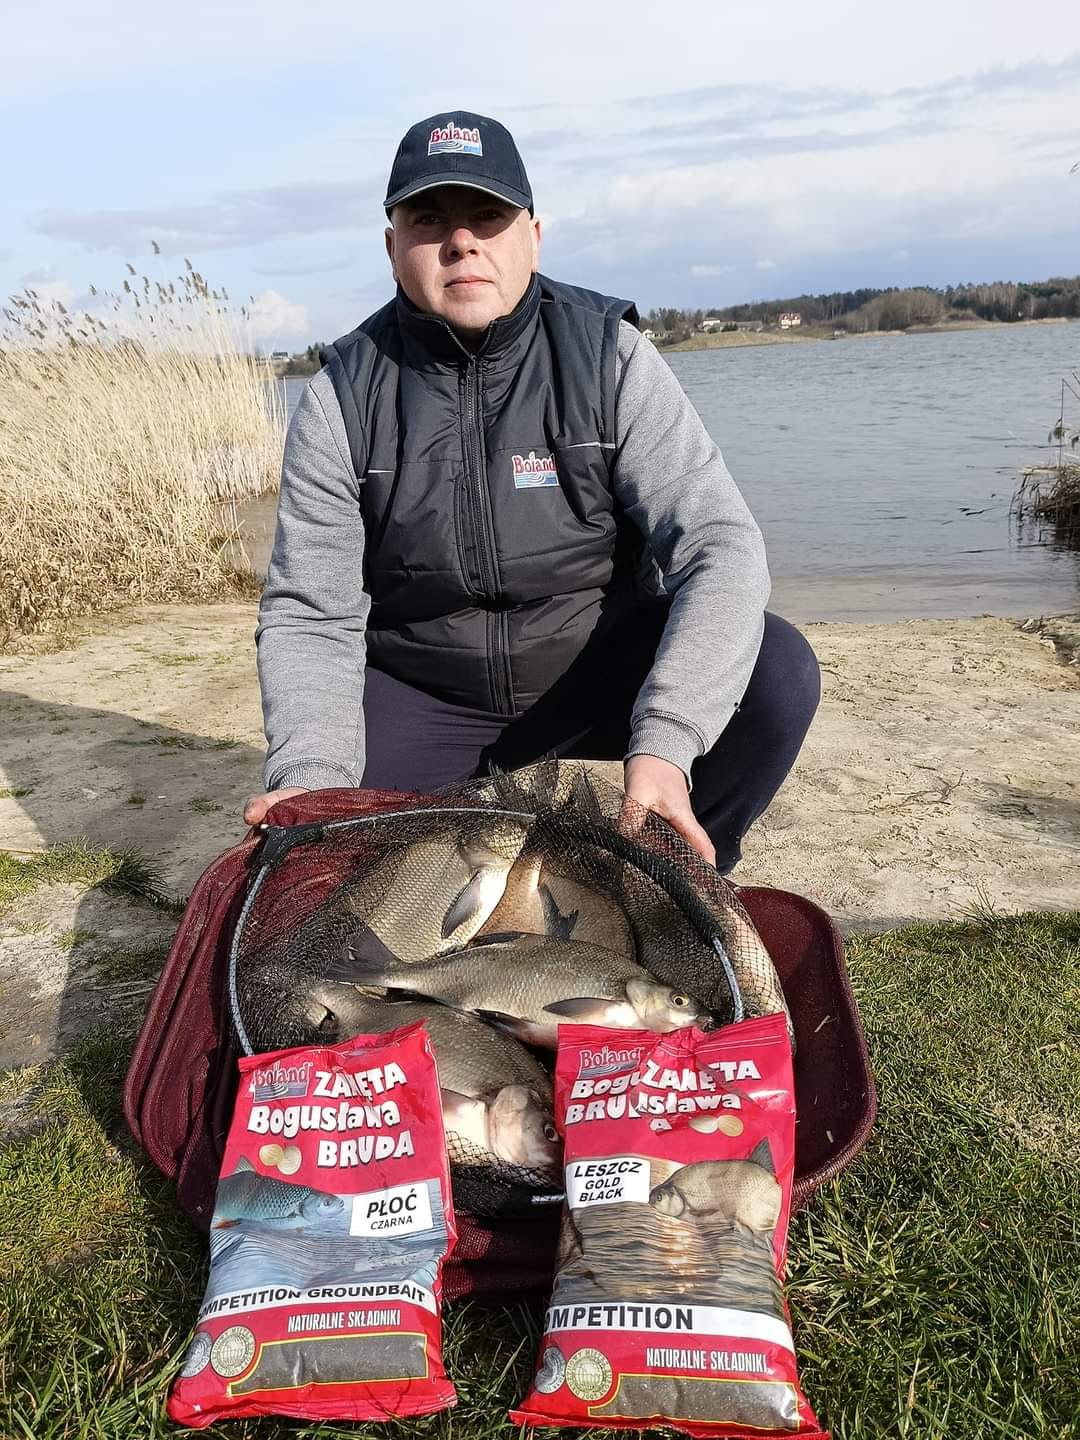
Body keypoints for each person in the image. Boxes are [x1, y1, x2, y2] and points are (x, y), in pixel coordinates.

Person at [245, 110, 820, 872]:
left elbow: (721, 546)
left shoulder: (611, 358)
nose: (462, 241)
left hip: (593, 674)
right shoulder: (340, 397)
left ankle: (672, 871)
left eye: (487, 215)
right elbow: (311, 613)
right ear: (392, 248)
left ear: (534, 237)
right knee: (334, 856)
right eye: (429, 219)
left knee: (779, 672)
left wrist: (667, 740)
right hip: (426, 696)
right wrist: (312, 777)